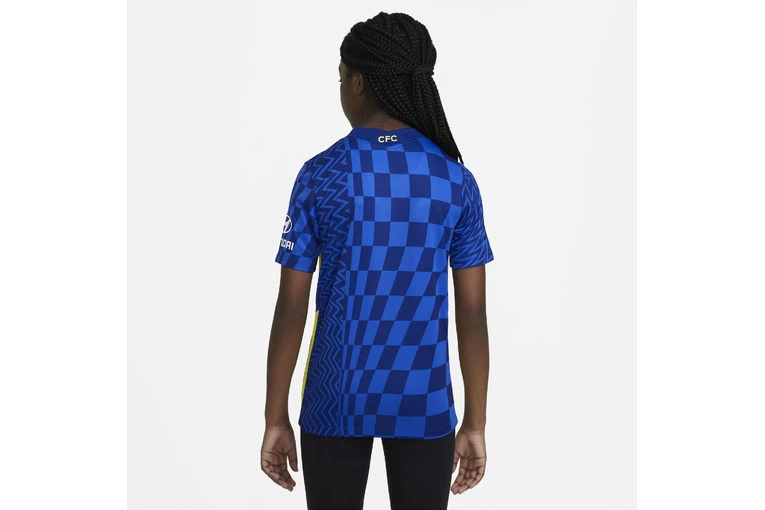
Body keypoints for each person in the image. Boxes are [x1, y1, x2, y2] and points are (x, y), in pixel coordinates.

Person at [261, 11, 494, 510]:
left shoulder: (319, 175)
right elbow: (472, 312)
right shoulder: (455, 181)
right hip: (424, 401)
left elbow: (291, 306)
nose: (341, 88)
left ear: (359, 83)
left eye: (340, 78)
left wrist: (275, 415)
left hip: (334, 399)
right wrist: (475, 422)